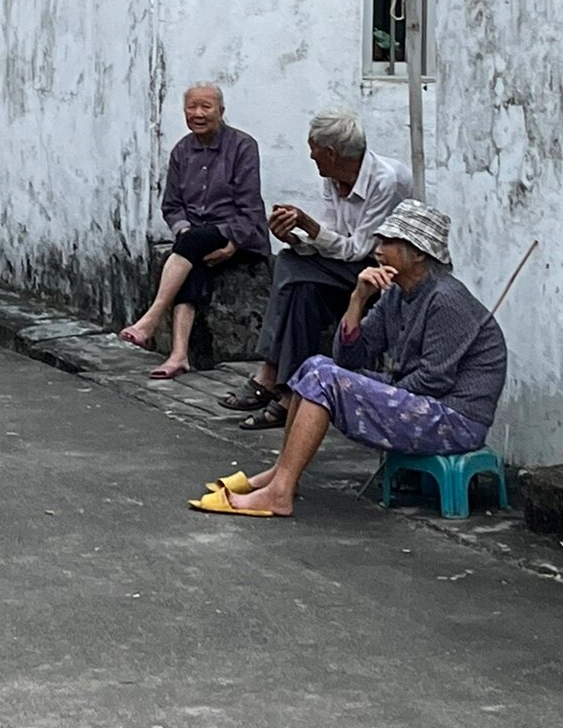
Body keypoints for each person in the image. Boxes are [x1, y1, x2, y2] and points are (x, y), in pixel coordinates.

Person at [192, 202, 507, 516]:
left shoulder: (446, 299)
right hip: (421, 400)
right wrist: (358, 299)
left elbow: (433, 381)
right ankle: (281, 475)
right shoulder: (396, 293)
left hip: (455, 420)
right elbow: (348, 357)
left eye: (388, 242)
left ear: (420, 253)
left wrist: (372, 391)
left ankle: (280, 492)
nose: (378, 249)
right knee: (313, 366)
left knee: (324, 378)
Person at [221, 111, 409, 430]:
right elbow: (332, 241)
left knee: (292, 265)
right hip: (347, 267)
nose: (310, 156)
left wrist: (309, 226)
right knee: (301, 288)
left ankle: (269, 374)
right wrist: (294, 237)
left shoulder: (385, 180)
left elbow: (358, 250)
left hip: (381, 274)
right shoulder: (332, 177)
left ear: (331, 153)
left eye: (314, 149)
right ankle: (290, 393)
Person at [119, 82, 270, 379]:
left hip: (237, 234)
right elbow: (172, 206)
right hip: (196, 241)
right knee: (192, 256)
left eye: (206, 107)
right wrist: (183, 228)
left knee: (192, 243)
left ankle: (150, 319)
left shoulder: (242, 146)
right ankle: (179, 355)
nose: (198, 114)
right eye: (192, 107)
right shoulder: (182, 151)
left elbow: (250, 208)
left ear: (221, 111)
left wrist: (233, 245)